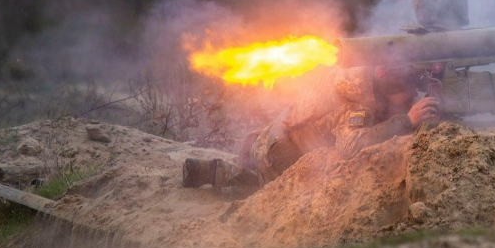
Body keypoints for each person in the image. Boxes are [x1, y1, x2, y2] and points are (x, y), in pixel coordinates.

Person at [182, 66, 439, 190]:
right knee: (252, 184)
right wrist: (406, 120)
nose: (410, 97)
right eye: (405, 93)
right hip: (273, 160)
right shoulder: (357, 108)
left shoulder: (351, 78)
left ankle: (224, 168)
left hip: (266, 137)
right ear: (388, 91)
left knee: (249, 169)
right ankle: (219, 172)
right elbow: (351, 147)